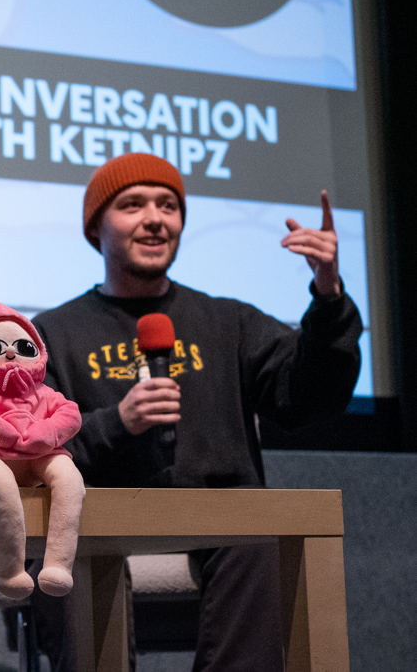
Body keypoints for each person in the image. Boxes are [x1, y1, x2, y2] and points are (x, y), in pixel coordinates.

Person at [27, 152, 363, 672]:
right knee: (64, 551)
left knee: (259, 536)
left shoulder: (228, 321)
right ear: (97, 227)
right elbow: (30, 444)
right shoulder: (54, 332)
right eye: (132, 205)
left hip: (220, 517)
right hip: (97, 515)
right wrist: (118, 422)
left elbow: (311, 397)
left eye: (168, 205)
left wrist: (328, 297)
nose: (155, 218)